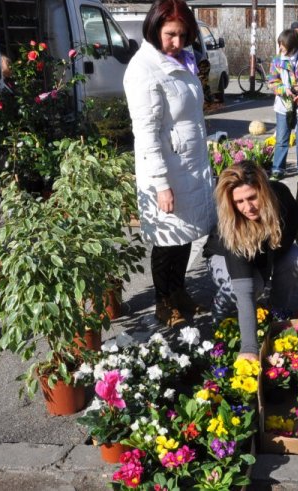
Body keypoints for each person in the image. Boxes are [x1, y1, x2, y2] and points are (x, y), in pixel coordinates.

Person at [123, 0, 216, 327]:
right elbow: (146, 133)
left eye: (183, 35)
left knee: (184, 237)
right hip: (165, 170)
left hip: (187, 164)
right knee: (166, 240)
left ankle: (180, 293)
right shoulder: (144, 69)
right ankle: (164, 303)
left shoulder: (179, 59)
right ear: (154, 28)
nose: (177, 42)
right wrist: (161, 184)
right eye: (170, 35)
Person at [203, 161, 298, 360]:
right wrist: (249, 348)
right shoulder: (232, 229)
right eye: (239, 202)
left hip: (265, 254)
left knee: (297, 259)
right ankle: (219, 308)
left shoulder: (279, 193)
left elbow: (296, 216)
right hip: (224, 258)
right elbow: (245, 290)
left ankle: (274, 310)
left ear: (264, 191)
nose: (247, 207)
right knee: (252, 287)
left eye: (252, 198)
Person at [267, 29, 298, 180]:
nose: (280, 48)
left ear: (292, 45)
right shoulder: (277, 60)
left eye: (283, 45)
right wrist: (284, 90)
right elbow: (272, 82)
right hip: (283, 106)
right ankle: (278, 168)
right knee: (282, 139)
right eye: (279, 44)